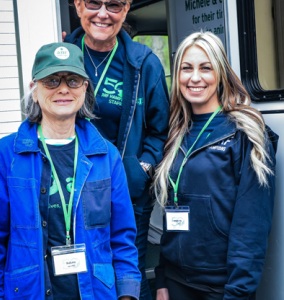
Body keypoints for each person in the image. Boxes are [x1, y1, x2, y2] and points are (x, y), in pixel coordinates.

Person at [0, 42, 141, 299]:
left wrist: (127, 293)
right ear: (34, 90)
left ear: (85, 88)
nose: (64, 89)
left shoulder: (106, 155)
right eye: (52, 81)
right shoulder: (3, 156)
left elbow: (122, 236)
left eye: (73, 80)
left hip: (96, 292)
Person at [152, 31, 278, 300]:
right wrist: (162, 278)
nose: (194, 78)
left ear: (220, 73)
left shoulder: (246, 135)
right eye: (186, 68)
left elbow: (251, 228)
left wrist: (237, 293)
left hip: (222, 288)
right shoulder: (176, 131)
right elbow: (172, 210)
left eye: (205, 68)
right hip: (175, 283)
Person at [64, 1, 170, 299]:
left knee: (128, 270)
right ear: (78, 5)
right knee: (79, 272)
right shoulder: (63, 56)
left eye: (113, 5)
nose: (103, 13)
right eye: (94, 3)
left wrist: (141, 169)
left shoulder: (143, 62)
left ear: (125, 10)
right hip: (71, 190)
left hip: (127, 191)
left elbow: (162, 130)